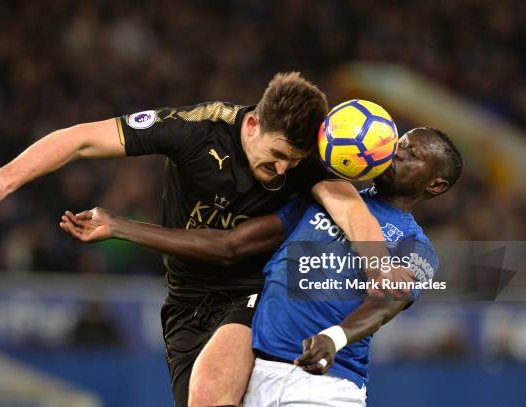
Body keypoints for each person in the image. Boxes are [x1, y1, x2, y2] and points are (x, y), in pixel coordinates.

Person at [0, 72, 387, 407]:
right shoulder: (195, 129)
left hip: (255, 297)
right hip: (186, 300)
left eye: (291, 163)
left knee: (210, 397)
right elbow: (82, 139)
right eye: (275, 157)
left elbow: (352, 210)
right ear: (253, 123)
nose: (281, 172)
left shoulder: (307, 163)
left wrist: (379, 268)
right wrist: (6, 176)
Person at [60, 127, 462, 406]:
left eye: (412, 156)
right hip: (256, 374)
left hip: (326, 386)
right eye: (400, 144)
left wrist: (335, 338)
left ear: (436, 185)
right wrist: (119, 226)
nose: (397, 154)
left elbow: (386, 301)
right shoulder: (325, 197)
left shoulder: (419, 249)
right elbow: (231, 245)